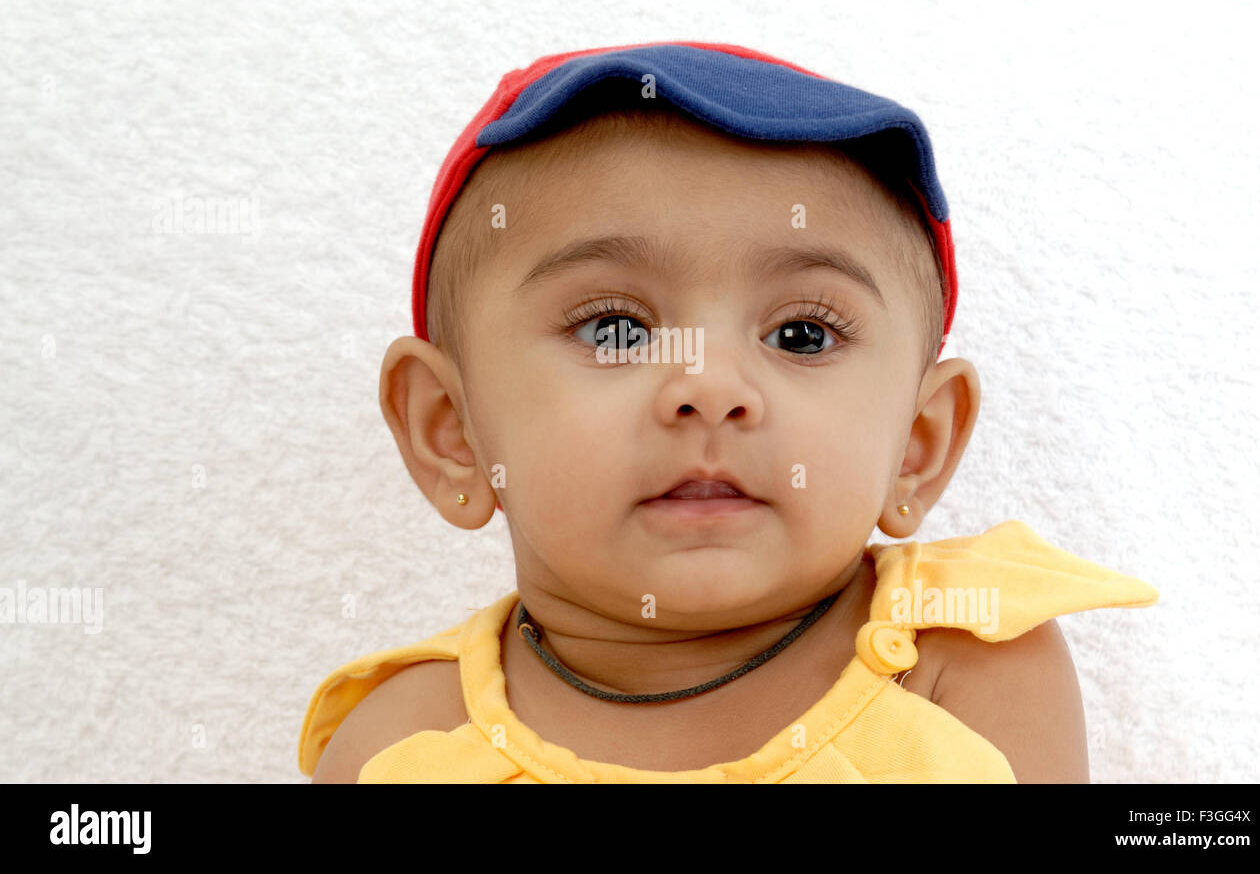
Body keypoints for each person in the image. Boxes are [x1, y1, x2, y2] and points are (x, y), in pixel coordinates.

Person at [299, 41, 1158, 783]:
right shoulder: (401, 745)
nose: (709, 386)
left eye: (801, 334)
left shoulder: (964, 666)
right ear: (451, 431)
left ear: (916, 447)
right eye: (616, 329)